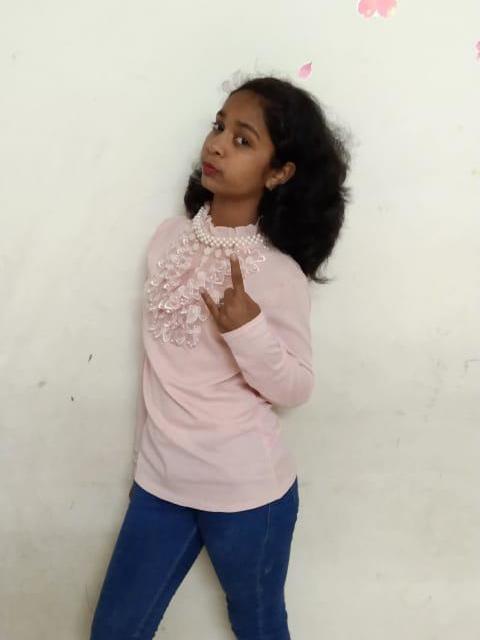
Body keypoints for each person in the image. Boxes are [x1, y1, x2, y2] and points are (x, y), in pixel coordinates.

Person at [89, 74, 351, 640]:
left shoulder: (277, 273)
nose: (217, 145)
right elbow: (159, 372)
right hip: (161, 485)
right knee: (115, 629)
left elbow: (298, 387)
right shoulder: (167, 240)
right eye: (219, 127)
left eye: (242, 140)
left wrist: (247, 330)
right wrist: (144, 466)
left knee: (257, 624)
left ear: (279, 173)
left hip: (246, 493)